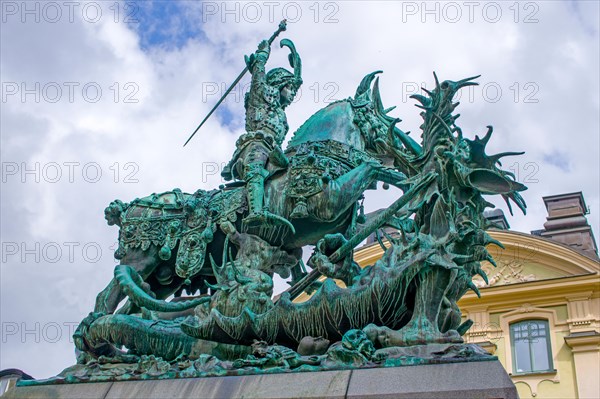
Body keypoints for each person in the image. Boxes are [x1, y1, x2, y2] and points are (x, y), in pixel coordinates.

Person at [221, 38, 302, 231]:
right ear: (278, 86)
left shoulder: (281, 113)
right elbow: (258, 78)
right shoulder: (260, 98)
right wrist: (262, 57)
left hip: (274, 151)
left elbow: (297, 82)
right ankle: (255, 213)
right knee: (255, 171)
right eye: (289, 88)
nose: (292, 94)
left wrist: (297, 62)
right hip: (255, 146)